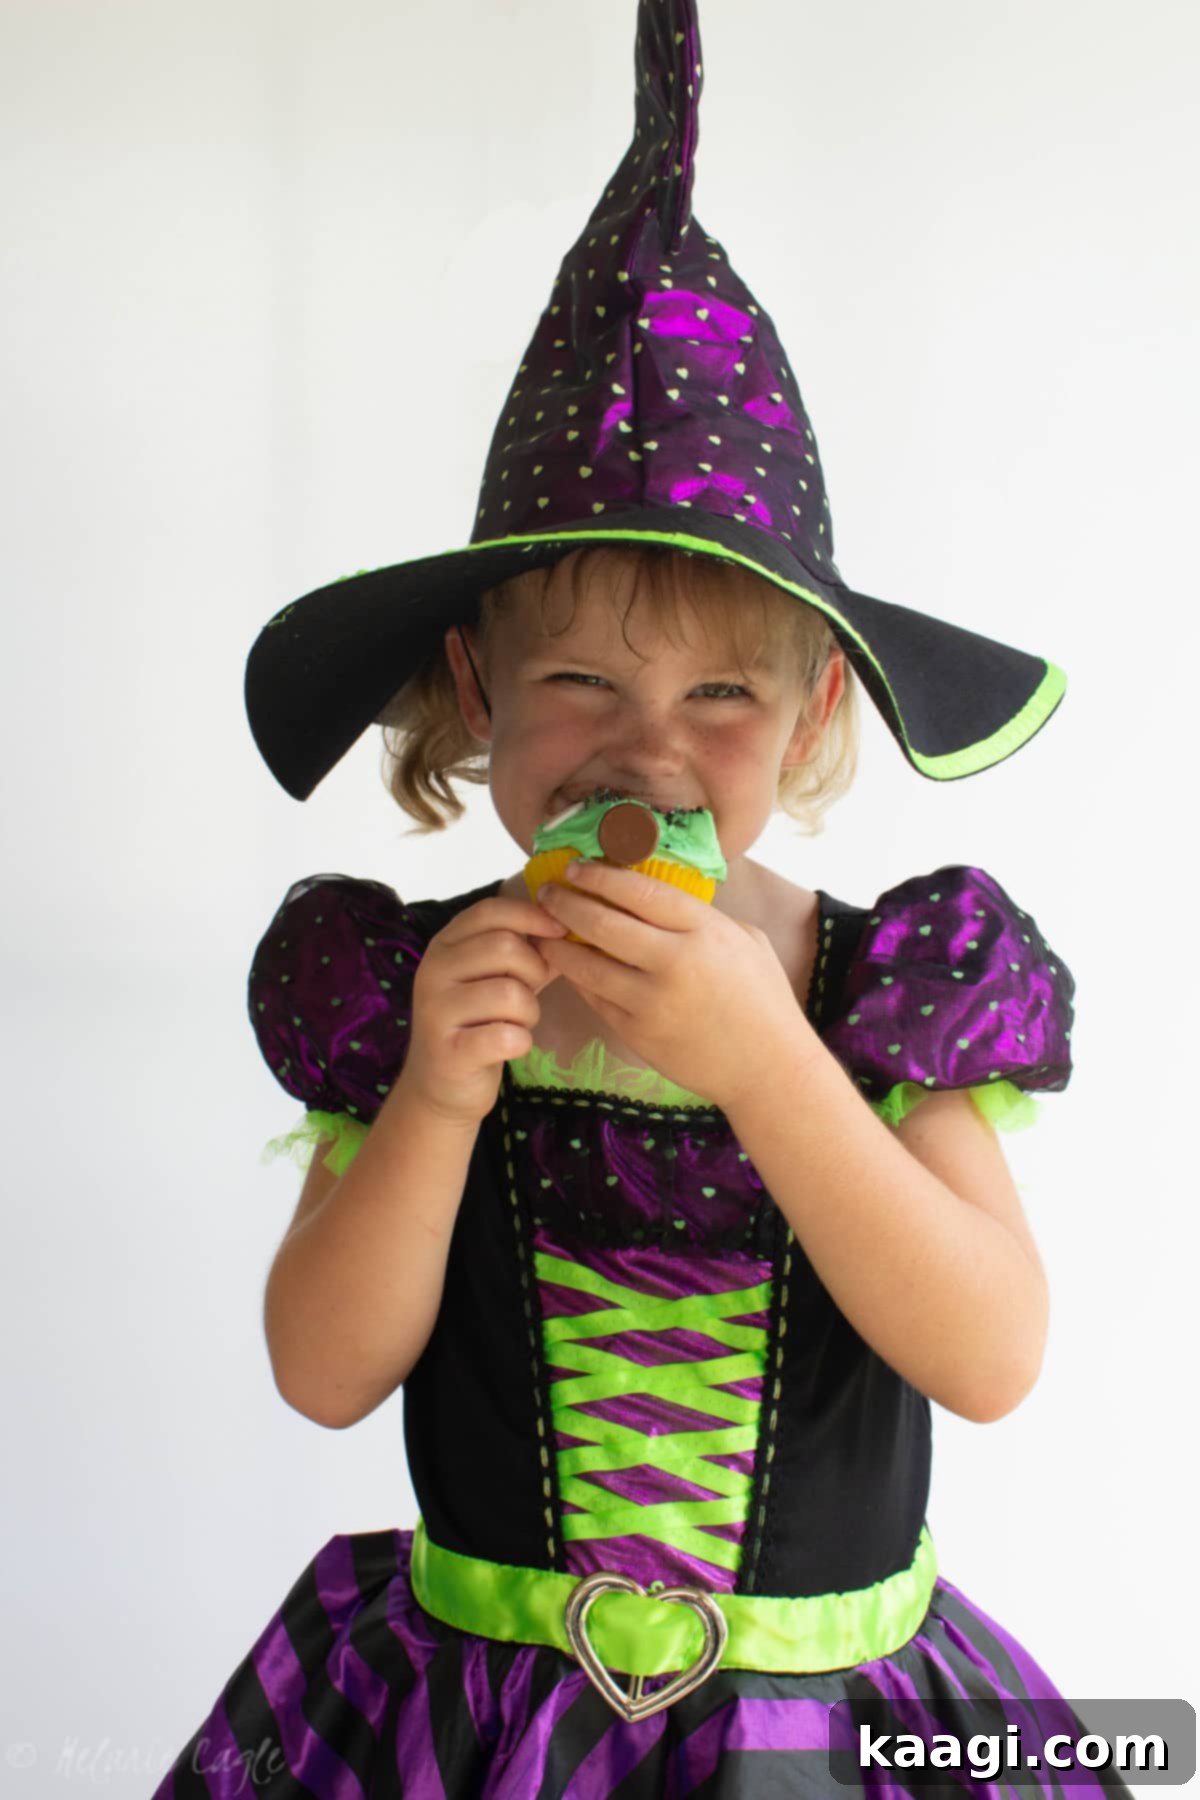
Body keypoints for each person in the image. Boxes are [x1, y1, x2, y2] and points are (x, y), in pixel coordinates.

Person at [154, 2, 1137, 1794]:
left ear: (815, 708)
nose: (648, 755)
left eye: (722, 698)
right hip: (487, 1729)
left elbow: (991, 1357)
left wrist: (771, 1062)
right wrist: (443, 1095)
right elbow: (321, 1368)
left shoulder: (892, 986)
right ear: (474, 691)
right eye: (581, 688)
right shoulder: (412, 988)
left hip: (818, 1738)